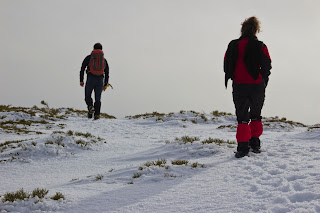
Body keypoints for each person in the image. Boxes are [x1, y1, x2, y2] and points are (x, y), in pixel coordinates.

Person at [224, 17, 272, 158]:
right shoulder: (261, 46)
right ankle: (255, 143)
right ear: (256, 29)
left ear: (242, 29)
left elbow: (226, 64)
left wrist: (234, 77)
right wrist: (263, 80)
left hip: (239, 85)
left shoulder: (233, 45)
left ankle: (242, 147)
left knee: (242, 117)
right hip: (257, 85)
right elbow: (267, 65)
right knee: (256, 114)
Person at [80, 43, 109, 120]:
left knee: (87, 96)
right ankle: (97, 115)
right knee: (98, 98)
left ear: (93, 48)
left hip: (90, 78)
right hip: (100, 80)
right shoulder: (104, 60)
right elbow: (107, 72)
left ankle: (90, 107)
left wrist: (81, 80)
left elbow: (82, 68)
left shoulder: (89, 58)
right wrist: (105, 84)